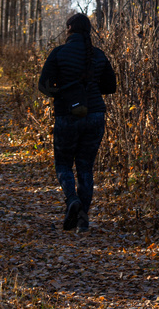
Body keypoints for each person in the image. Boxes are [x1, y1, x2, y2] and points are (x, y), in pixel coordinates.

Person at [38, 13, 116, 233]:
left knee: (63, 163)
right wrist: (90, 90)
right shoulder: (99, 55)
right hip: (95, 117)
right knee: (85, 166)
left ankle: (72, 199)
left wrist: (61, 93)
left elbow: (43, 85)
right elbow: (111, 87)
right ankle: (83, 220)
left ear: (70, 28)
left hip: (66, 115)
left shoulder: (59, 53)